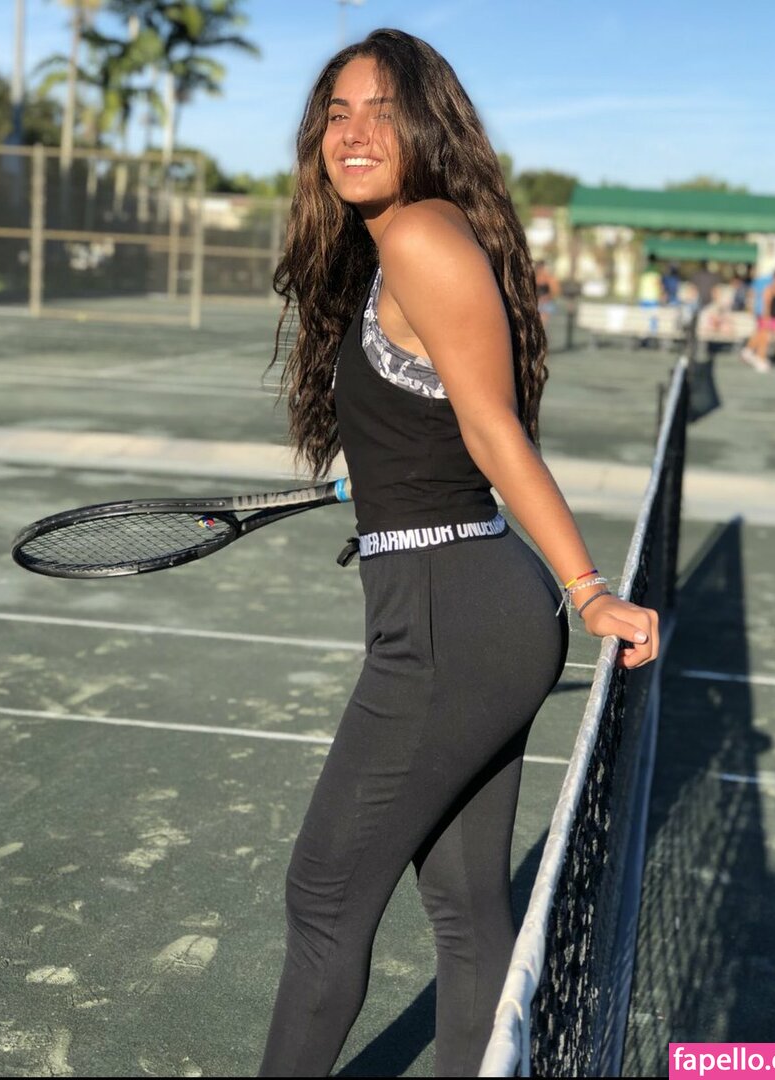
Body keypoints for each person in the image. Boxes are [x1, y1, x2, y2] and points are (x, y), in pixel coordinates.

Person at [258, 29, 659, 1078]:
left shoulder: (421, 237)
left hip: (449, 621)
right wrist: (374, 480)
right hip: (465, 604)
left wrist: (589, 589)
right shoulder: (406, 238)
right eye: (337, 113)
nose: (353, 133)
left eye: (381, 111)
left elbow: (490, 430)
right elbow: (436, 420)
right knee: (466, 905)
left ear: (427, 127)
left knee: (323, 900)